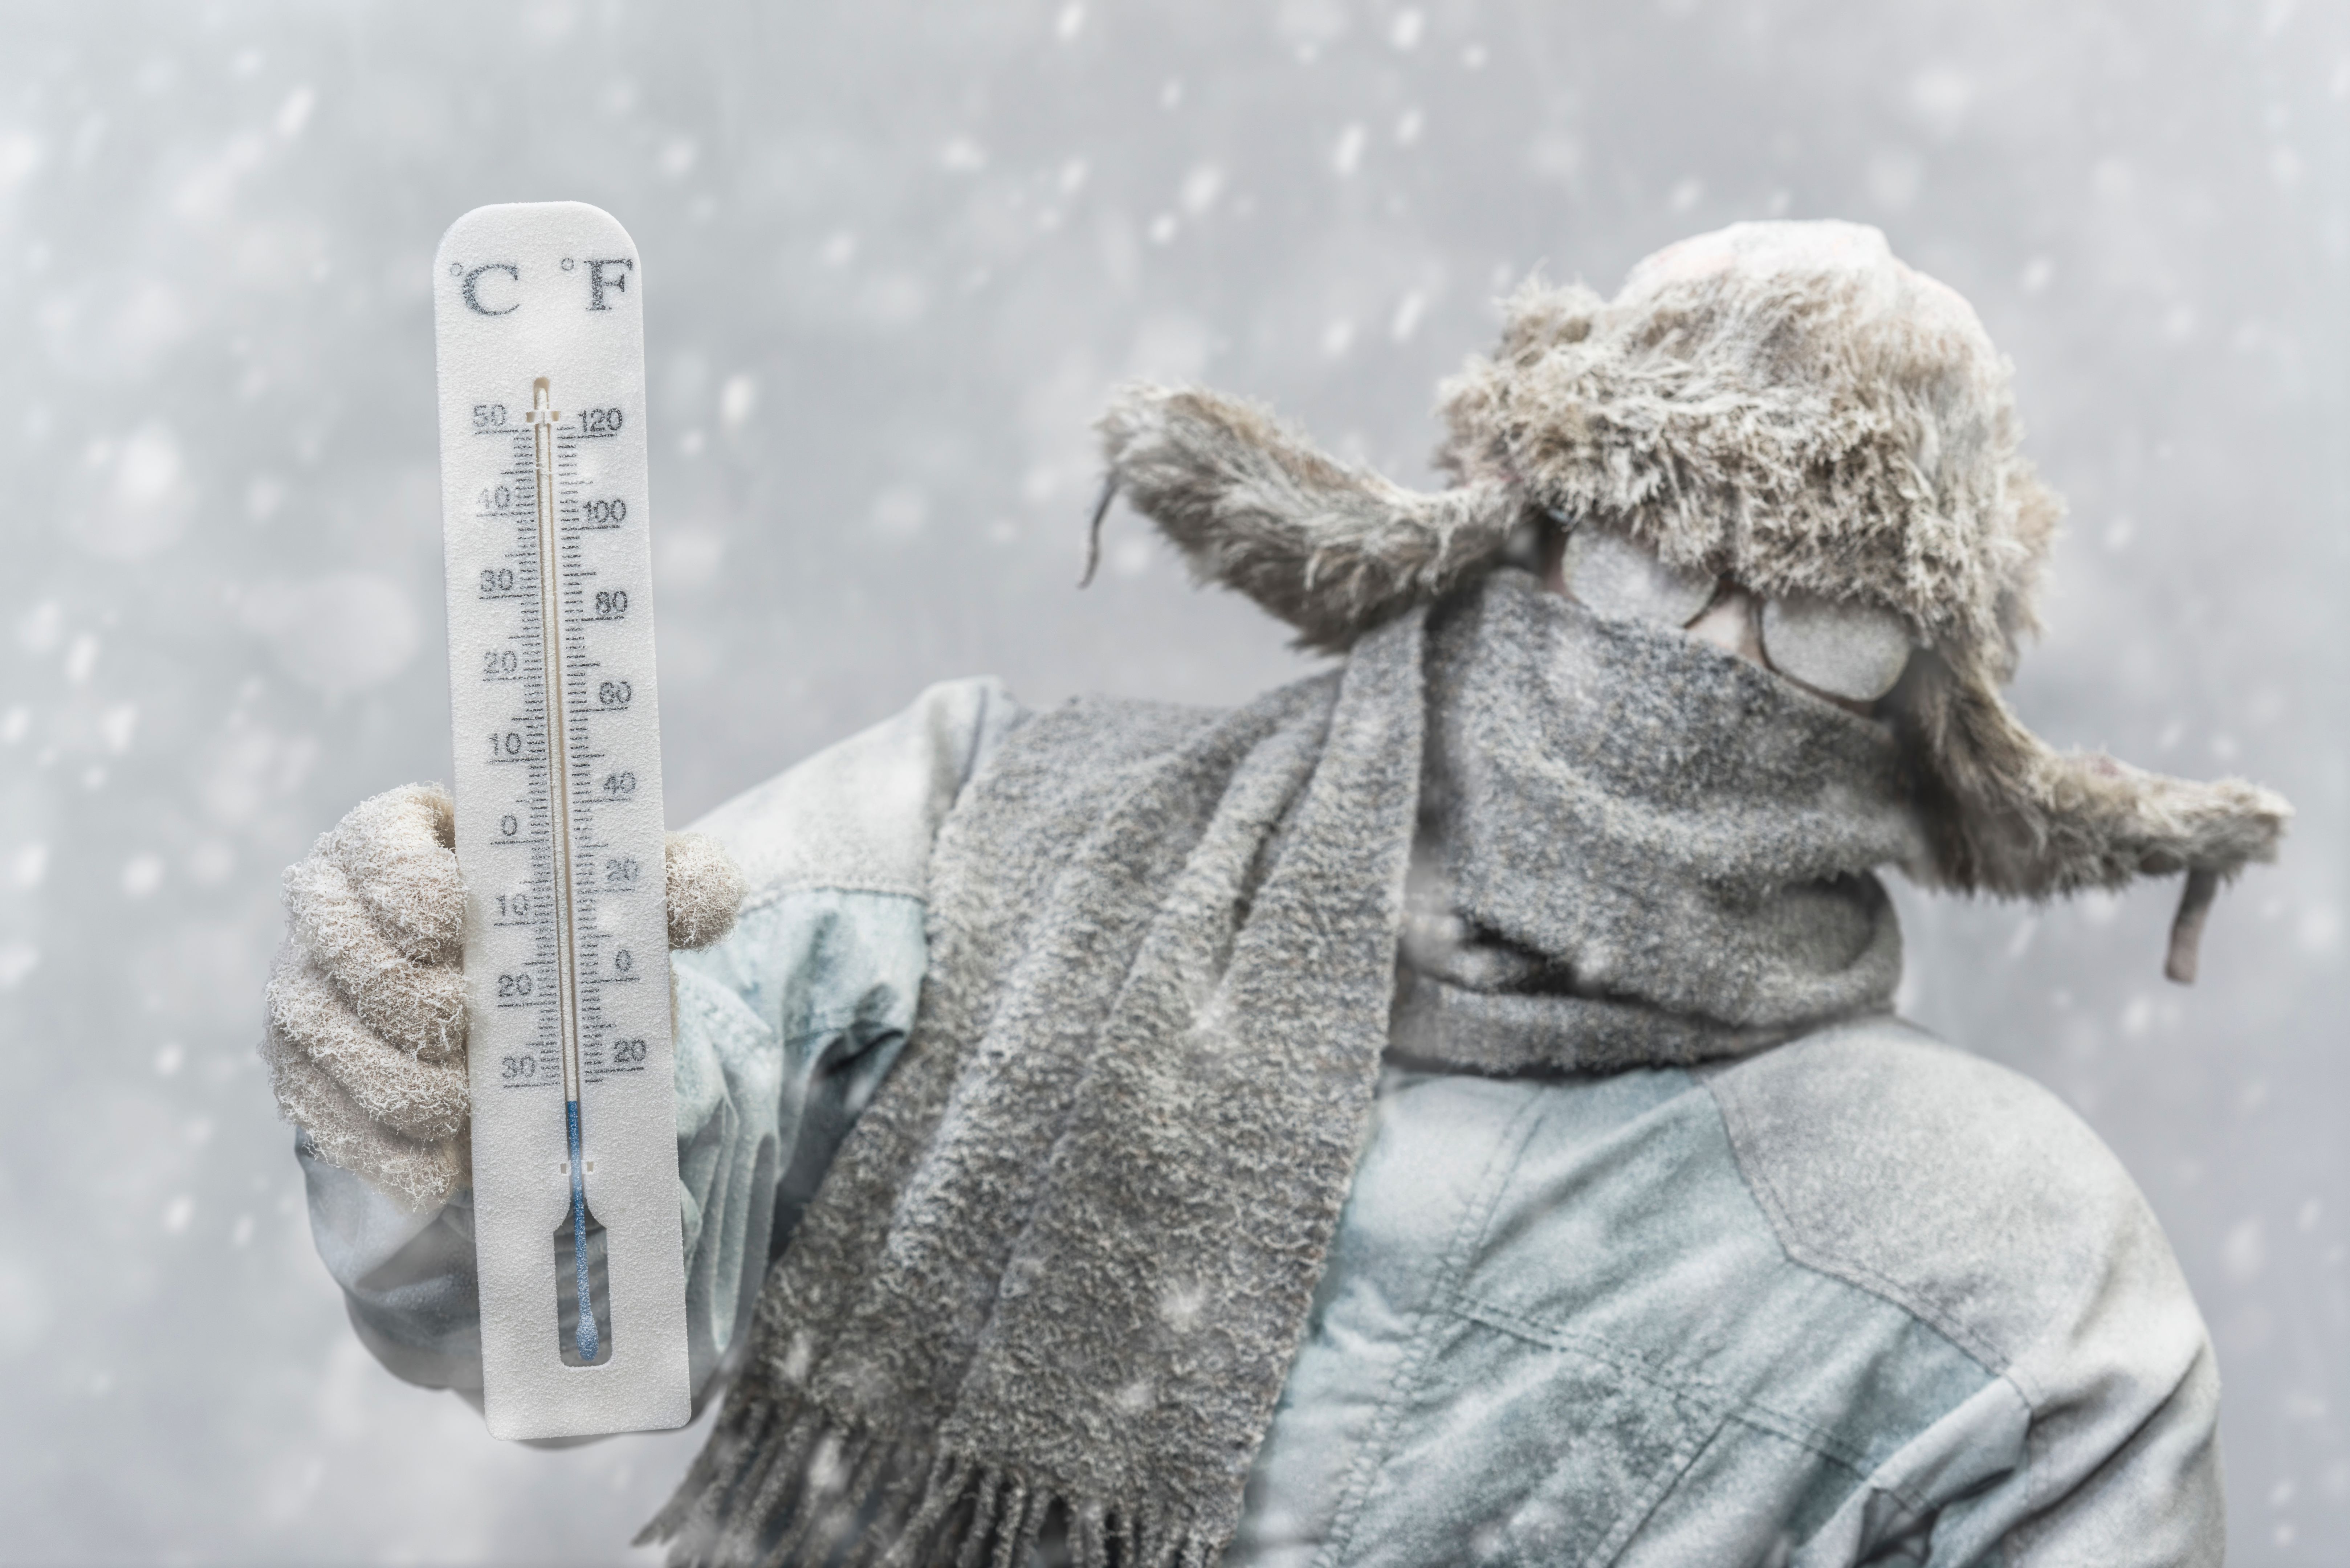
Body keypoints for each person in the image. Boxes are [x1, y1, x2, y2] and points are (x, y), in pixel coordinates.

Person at [264, 221, 2289, 1566]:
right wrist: (456, 1071)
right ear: (1518, 538)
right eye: (1656, 566)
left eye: (1828, 633)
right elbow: (581, 1265)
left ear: (1920, 711)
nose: (1708, 667)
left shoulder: (2006, 1275)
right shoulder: (997, 832)